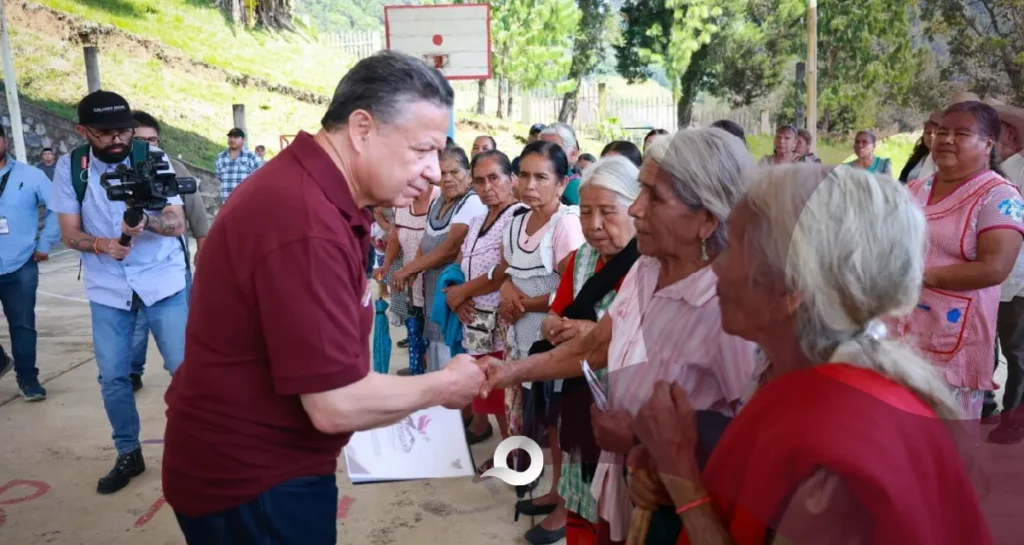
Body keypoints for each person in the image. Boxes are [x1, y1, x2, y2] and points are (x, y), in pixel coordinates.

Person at [162, 51, 485, 545]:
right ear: (362, 129)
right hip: (254, 482)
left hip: (271, 467)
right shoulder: (303, 221)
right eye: (422, 150)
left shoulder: (322, 196)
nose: (435, 173)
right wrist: (444, 385)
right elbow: (335, 404)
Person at [628, 164, 992, 545]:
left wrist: (682, 478)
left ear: (791, 290)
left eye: (734, 246)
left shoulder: (840, 448)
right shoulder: (806, 383)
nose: (717, 266)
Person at [480, 129, 758, 544]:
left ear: (707, 219)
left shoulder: (728, 304)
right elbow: (596, 346)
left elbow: (748, 442)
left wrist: (648, 450)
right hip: (629, 478)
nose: (638, 209)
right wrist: (509, 371)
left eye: (654, 196)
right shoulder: (647, 269)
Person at [51, 90, 189, 494]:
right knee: (113, 376)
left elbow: (175, 223)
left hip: (162, 280)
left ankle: (196, 448)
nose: (117, 140)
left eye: (123, 131)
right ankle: (129, 451)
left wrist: (145, 222)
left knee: (183, 371)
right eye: (105, 132)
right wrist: (103, 245)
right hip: (108, 285)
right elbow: (68, 233)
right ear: (83, 131)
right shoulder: (71, 167)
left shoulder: (153, 158)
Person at [525, 156, 642, 545]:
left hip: (627, 409)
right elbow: (554, 313)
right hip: (580, 397)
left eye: (608, 212)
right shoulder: (580, 259)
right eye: (587, 212)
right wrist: (553, 326)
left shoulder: (653, 264)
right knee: (583, 502)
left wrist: (596, 334)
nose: (594, 225)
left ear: (636, 206)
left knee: (619, 512)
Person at [898, 101, 1024, 422]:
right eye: (942, 132)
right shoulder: (916, 188)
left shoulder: (1000, 197)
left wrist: (920, 276)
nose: (947, 139)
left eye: (962, 133)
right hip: (904, 328)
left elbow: (994, 268)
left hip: (955, 336)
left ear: (988, 145)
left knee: (944, 442)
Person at [499, 140, 586, 528]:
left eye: (542, 177)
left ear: (562, 182)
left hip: (550, 340)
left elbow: (573, 285)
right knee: (546, 419)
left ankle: (566, 504)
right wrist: (505, 290)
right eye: (524, 175)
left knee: (561, 420)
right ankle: (556, 490)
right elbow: (507, 269)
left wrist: (526, 304)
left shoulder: (566, 223)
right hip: (521, 338)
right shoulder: (518, 218)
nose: (530, 185)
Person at [127, 111, 211, 392]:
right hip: (126, 266)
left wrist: (202, 246)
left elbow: (195, 210)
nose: (149, 146)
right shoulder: (115, 172)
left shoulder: (173, 168)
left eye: (153, 140)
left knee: (179, 326)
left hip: (170, 265)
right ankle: (132, 370)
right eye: (141, 141)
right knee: (136, 324)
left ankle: (184, 371)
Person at [446, 149, 525, 446]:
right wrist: (459, 295)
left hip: (501, 323)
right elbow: (464, 259)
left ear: (511, 179)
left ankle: (516, 459)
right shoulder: (479, 218)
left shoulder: (517, 216)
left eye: (494, 178)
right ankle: (507, 452)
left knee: (503, 393)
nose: (486, 187)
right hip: (477, 319)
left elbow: (505, 269)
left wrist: (463, 292)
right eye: (479, 181)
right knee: (487, 391)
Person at [392, 145, 486, 373]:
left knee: (453, 366)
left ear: (469, 174)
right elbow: (426, 244)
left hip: (456, 297)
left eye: (455, 172)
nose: (448, 179)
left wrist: (408, 270)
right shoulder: (438, 202)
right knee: (436, 360)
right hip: (434, 296)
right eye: (442, 173)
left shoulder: (471, 203)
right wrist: (412, 271)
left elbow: (449, 249)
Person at [0, 128, 60, 401]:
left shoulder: (30, 175)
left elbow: (56, 207)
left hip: (20, 263)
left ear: (5, 141)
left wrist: (45, 243)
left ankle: (28, 380)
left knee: (22, 324)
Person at [984, 98, 1024, 442]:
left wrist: (990, 104)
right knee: (996, 346)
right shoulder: (996, 168)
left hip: (1019, 277)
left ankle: (1015, 420)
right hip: (996, 277)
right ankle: (996, 409)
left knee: (1017, 352)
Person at [539, 123, 583, 205]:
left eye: (554, 150)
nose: (544, 154)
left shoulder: (580, 189)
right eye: (538, 149)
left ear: (573, 154)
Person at [215, 127, 262, 204]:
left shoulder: (252, 157)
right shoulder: (220, 157)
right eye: (230, 137)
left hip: (246, 203)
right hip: (227, 204)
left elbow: (260, 179)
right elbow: (219, 177)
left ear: (243, 140)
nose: (232, 139)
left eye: (236, 137)